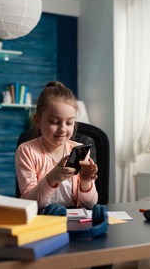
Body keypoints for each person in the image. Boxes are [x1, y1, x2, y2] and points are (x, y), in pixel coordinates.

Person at [15, 81, 98, 209]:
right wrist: (52, 178)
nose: (63, 129)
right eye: (54, 122)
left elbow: (90, 204)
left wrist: (85, 183)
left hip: (74, 220)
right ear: (37, 120)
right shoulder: (27, 151)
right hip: (42, 221)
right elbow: (30, 203)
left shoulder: (78, 150)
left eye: (69, 123)